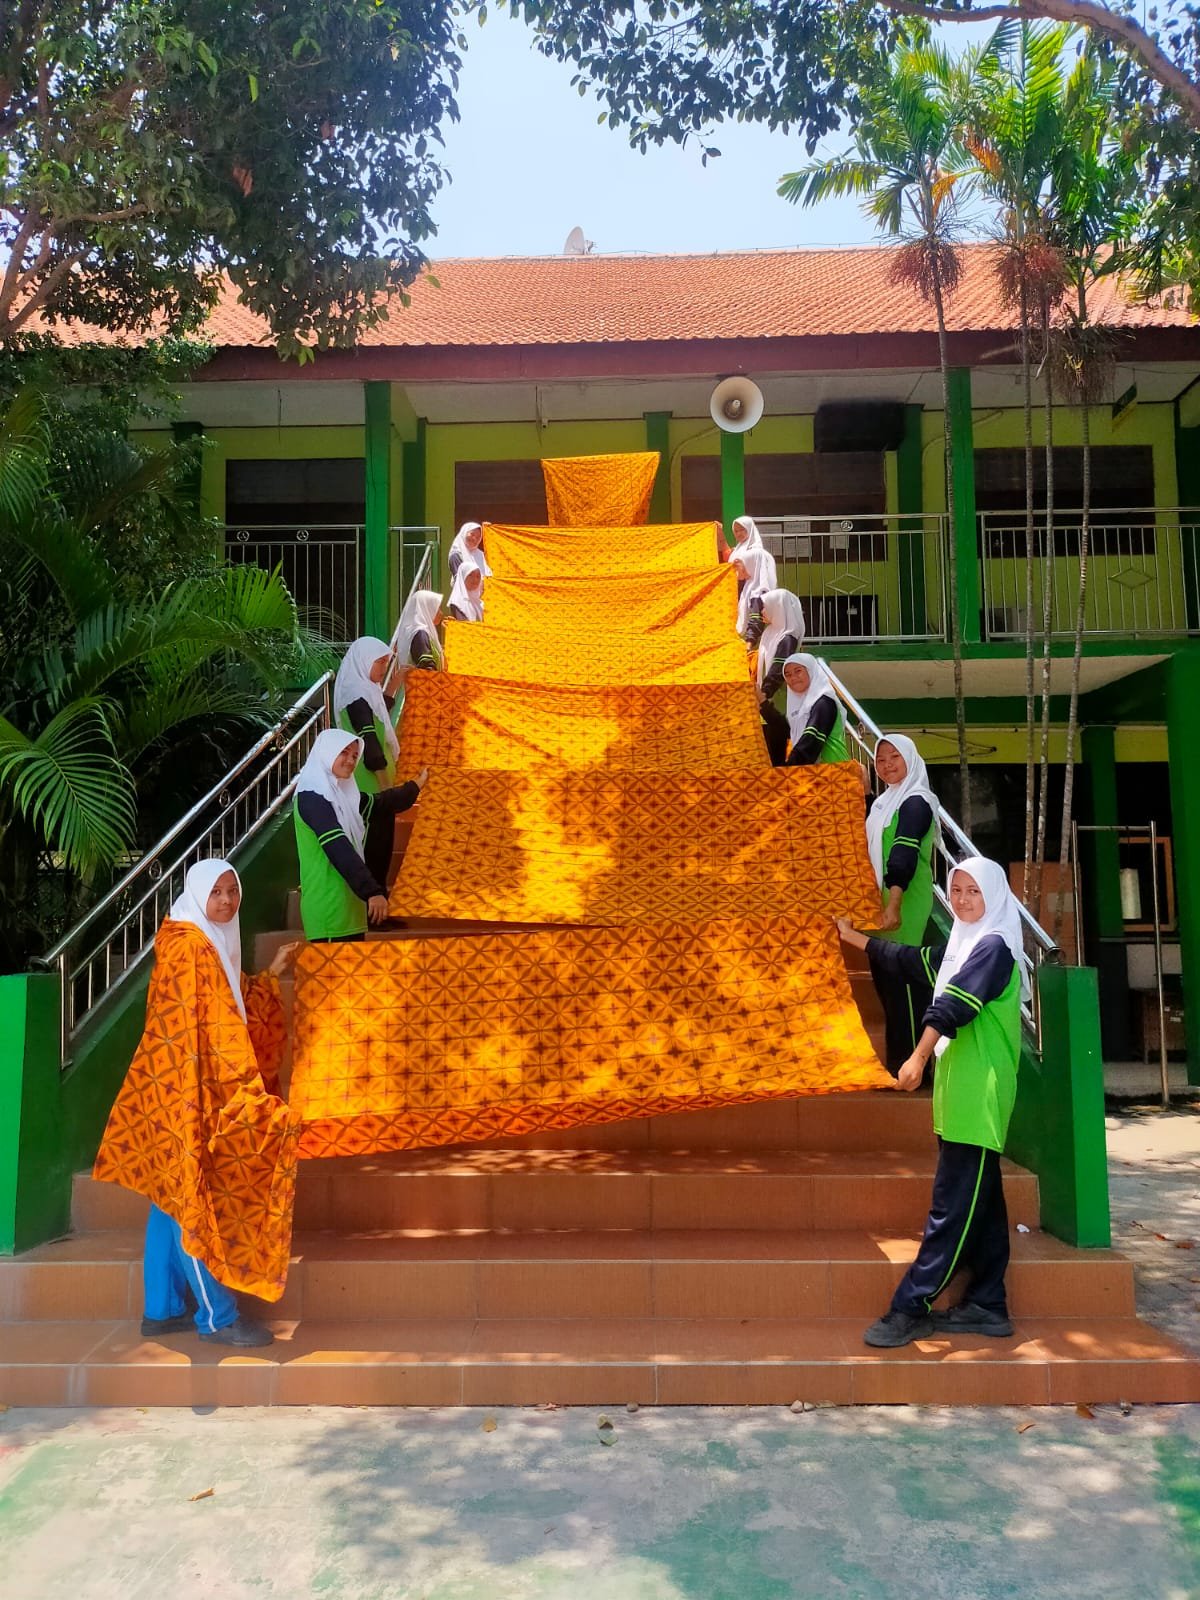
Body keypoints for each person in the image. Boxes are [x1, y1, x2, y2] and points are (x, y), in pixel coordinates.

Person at [93, 859, 301, 1346]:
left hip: (173, 1087)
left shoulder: (206, 941)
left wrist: (268, 976)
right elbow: (209, 1032)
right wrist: (241, 1095)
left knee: (171, 1194)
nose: (226, 901)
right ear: (198, 896)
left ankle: (162, 1307)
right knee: (191, 1197)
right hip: (188, 1089)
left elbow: (227, 1006)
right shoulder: (190, 949)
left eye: (233, 891)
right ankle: (218, 1317)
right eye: (217, 893)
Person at [837, 856, 1029, 1348]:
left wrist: (917, 1056)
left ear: (995, 897)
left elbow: (954, 1006)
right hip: (959, 1092)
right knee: (979, 1202)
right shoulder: (961, 946)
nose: (963, 900)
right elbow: (911, 961)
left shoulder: (994, 949)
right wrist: (852, 936)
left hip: (977, 1092)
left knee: (952, 1208)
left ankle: (911, 1305)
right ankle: (988, 1303)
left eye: (974, 892)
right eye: (957, 890)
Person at [294, 729, 427, 940]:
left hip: (351, 911)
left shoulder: (344, 797)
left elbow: (381, 804)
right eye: (344, 753)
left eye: (355, 756)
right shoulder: (312, 798)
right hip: (329, 912)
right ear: (326, 752)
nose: (350, 761)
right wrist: (372, 890)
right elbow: (338, 847)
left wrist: (417, 784)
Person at [864, 734, 941, 1074]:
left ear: (911, 758)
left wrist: (893, 904)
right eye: (881, 759)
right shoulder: (885, 803)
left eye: (895, 757)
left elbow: (904, 852)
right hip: (879, 900)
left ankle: (916, 1067)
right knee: (887, 985)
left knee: (906, 986)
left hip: (904, 899)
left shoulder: (916, 802)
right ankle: (899, 1064)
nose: (887, 764)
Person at [334, 635, 403, 795]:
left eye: (386, 662)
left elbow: (378, 713)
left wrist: (395, 682)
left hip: (375, 780)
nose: (384, 668)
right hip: (370, 782)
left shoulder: (365, 690)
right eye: (379, 662)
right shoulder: (356, 695)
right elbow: (370, 742)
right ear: (363, 660)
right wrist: (386, 788)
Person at [759, 651, 849, 768]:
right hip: (814, 773)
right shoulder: (800, 707)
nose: (793, 678)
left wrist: (788, 769)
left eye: (798, 671)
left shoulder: (824, 702)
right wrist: (762, 703)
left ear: (811, 671)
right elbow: (785, 729)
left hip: (835, 772)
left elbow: (811, 740)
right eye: (788, 674)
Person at [754, 588, 807, 701]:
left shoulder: (788, 638)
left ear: (778, 608)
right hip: (763, 695)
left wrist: (765, 693)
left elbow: (779, 668)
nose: (762, 611)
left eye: (766, 607)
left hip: (776, 695)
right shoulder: (770, 632)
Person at [733, 545, 778, 646]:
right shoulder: (750, 587)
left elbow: (756, 621)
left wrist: (748, 645)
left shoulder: (758, 593)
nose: (739, 571)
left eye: (743, 566)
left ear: (752, 566)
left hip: (752, 646)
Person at [395, 589, 444, 670]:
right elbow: (427, 668)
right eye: (437, 608)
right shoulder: (420, 634)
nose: (441, 613)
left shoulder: (419, 632)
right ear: (427, 608)